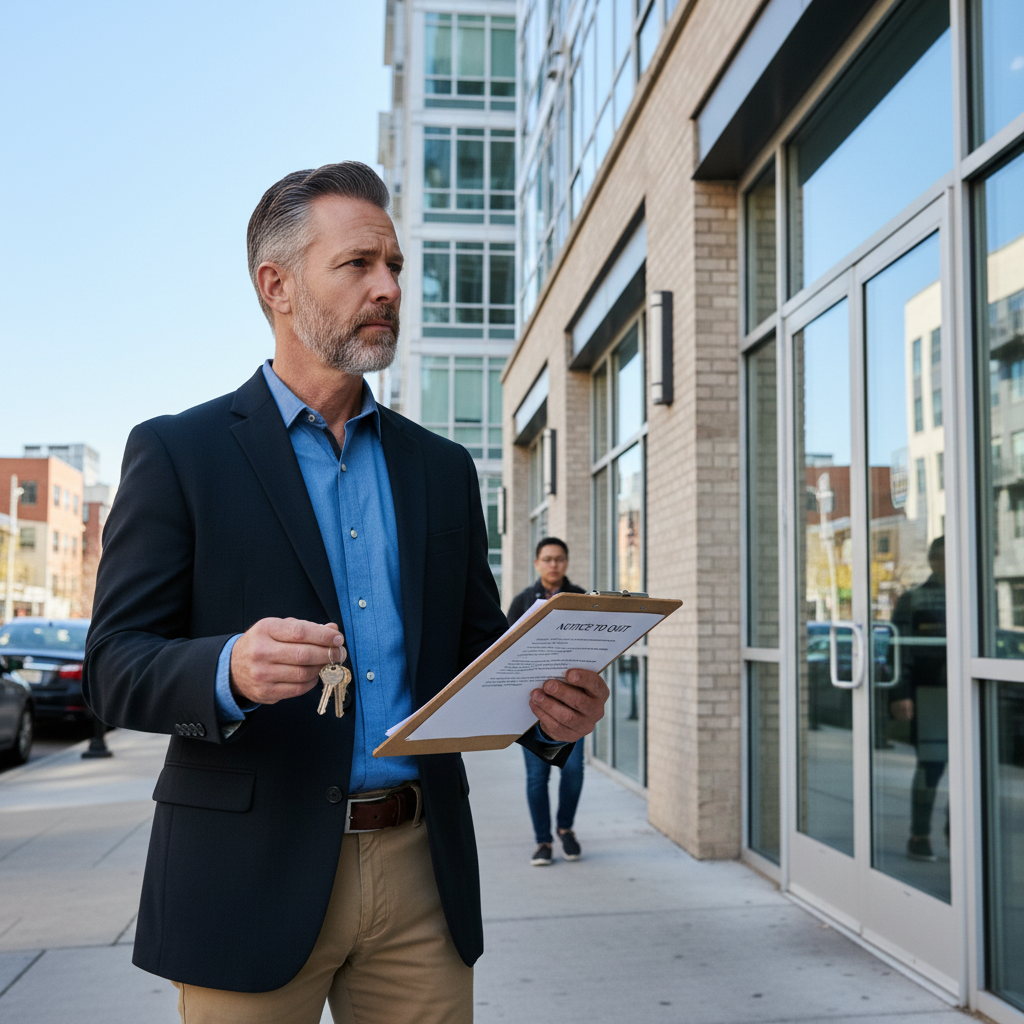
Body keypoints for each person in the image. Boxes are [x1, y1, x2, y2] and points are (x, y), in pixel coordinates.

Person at [82, 163, 609, 1024]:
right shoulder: (180, 454)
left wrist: (549, 714)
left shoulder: (441, 469)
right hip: (246, 875)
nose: (389, 288)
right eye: (359, 264)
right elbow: (112, 667)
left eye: (395, 266)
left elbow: (478, 655)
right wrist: (228, 670)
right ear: (276, 286)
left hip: (420, 873)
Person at [508, 537, 588, 866]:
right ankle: (543, 841)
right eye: (547, 559)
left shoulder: (581, 598)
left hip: (572, 704)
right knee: (537, 777)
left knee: (573, 772)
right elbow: (507, 648)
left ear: (566, 563)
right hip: (532, 707)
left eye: (559, 559)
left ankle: (565, 829)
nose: (553, 564)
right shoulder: (523, 601)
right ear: (538, 563)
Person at [889, 535, 947, 862]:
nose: (946, 564)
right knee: (931, 766)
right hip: (931, 697)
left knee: (975, 766)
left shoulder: (977, 595)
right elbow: (899, 650)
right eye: (941, 557)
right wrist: (901, 693)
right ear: (933, 561)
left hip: (971, 695)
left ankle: (960, 827)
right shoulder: (914, 600)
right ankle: (919, 835)